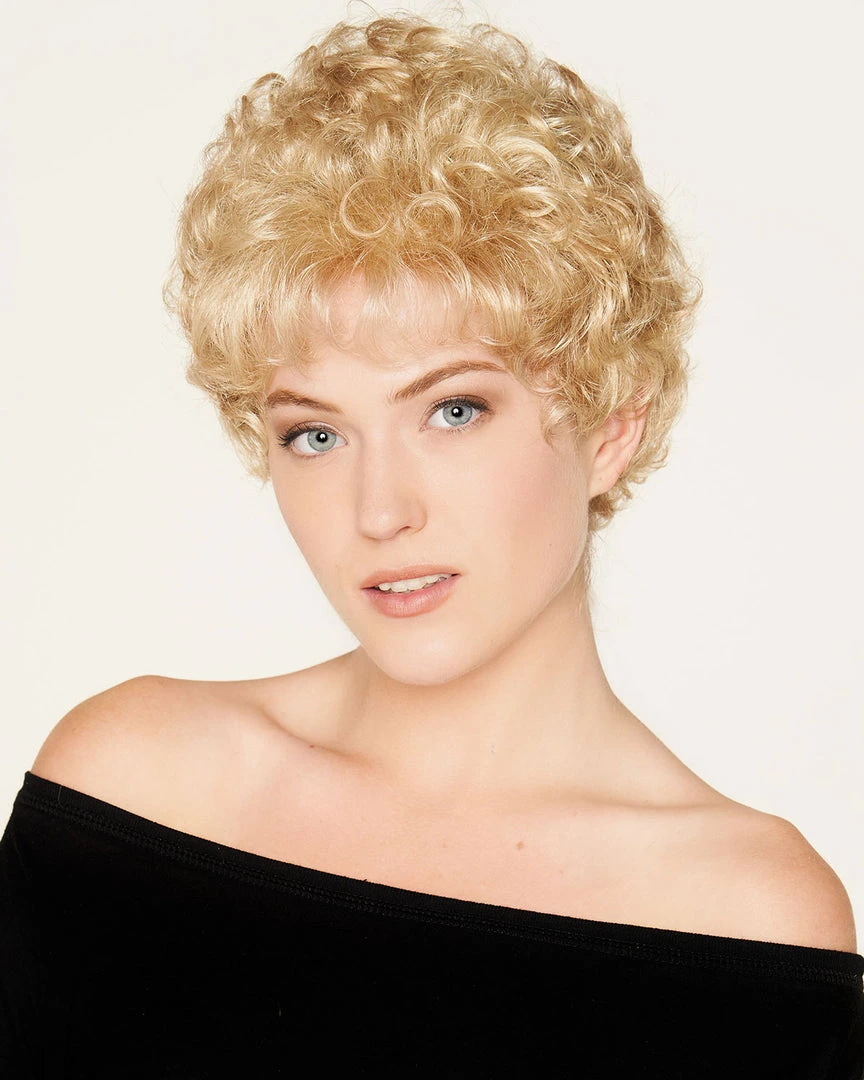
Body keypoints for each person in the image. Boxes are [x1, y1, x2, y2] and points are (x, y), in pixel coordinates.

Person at [1, 7, 862, 1077]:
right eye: (315, 433)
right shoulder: (134, 790)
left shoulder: (745, 918)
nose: (378, 512)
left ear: (611, 424)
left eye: (453, 410)